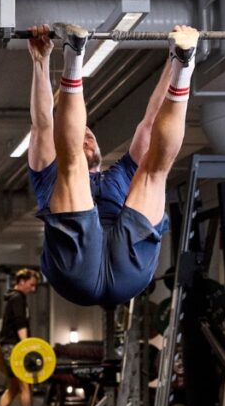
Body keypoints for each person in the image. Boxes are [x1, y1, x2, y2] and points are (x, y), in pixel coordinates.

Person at [26, 23, 200, 308]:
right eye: (78, 133)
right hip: (124, 276)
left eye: (88, 136)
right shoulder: (49, 169)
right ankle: (74, 55)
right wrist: (40, 63)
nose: (85, 139)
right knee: (143, 173)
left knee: (146, 158)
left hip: (75, 275)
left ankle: (183, 65)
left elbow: (151, 122)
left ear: (99, 146)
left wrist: (174, 59)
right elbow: (43, 123)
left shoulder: (118, 174)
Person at [0, 268, 44, 406]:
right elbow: (20, 324)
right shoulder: (18, 298)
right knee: (26, 386)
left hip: (10, 347)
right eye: (31, 285)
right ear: (22, 281)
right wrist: (26, 348)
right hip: (15, 347)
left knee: (13, 388)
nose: (33, 289)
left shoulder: (14, 298)